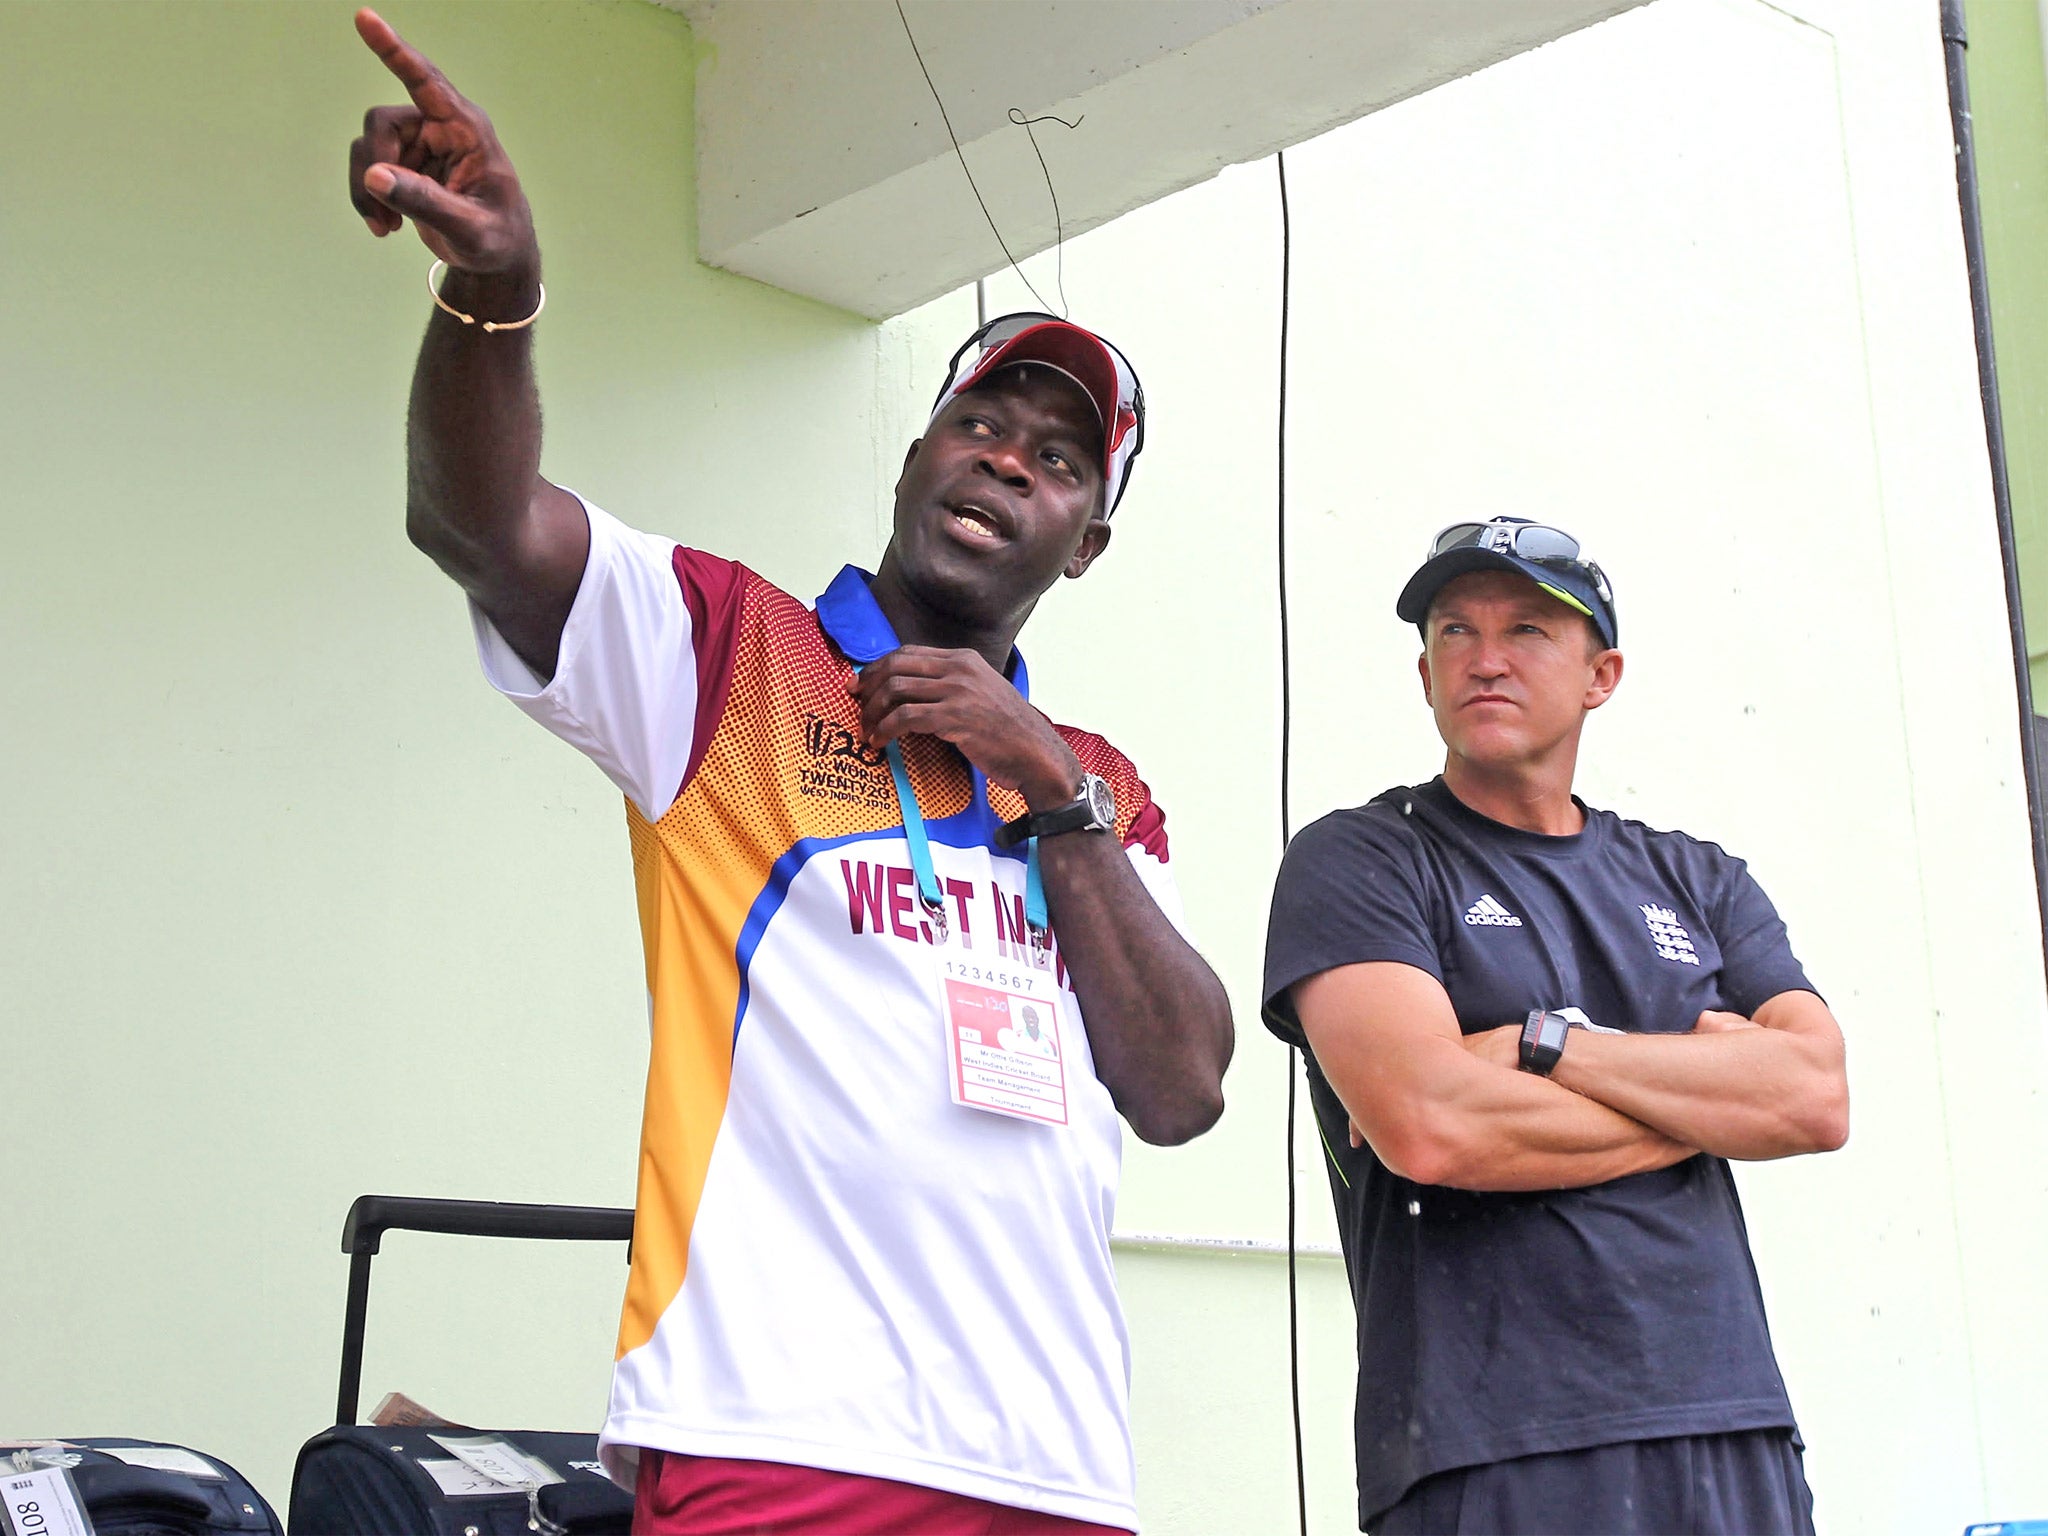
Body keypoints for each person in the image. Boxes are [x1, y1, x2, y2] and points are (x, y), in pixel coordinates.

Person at [344, 12, 1234, 1534]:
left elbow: (1180, 1087)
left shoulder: (1093, 783)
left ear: (1083, 546)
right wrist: (495, 294)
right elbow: (481, 526)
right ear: (918, 455)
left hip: (1054, 1465)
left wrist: (1048, 784)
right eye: (982, 422)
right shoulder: (728, 651)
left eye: (1061, 461)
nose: (1009, 459)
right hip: (776, 1437)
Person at [1261, 517, 1847, 1535]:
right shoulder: (1361, 861)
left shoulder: (1695, 879)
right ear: (1423, 672)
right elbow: (1432, 1126)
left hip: (1728, 1422)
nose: (1483, 660)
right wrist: (1707, 1103)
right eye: (1453, 632)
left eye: (1527, 629)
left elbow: (1812, 1097)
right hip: (1487, 1443)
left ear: (1600, 674)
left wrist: (1546, 1047)